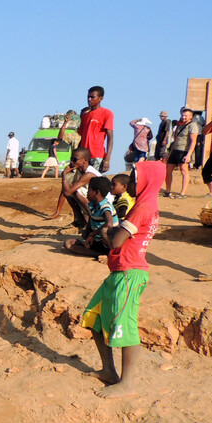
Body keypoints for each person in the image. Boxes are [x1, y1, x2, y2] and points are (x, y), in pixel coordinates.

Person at [82, 160, 165, 399]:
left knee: (126, 328)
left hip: (129, 274)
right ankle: (109, 370)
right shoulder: (144, 204)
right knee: (94, 317)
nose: (131, 183)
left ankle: (127, 384)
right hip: (120, 271)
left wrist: (106, 234)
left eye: (135, 178)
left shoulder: (142, 207)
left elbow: (117, 240)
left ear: (146, 181)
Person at [64, 176, 116, 257]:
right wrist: (88, 235)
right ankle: (100, 254)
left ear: (97, 192)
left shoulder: (106, 207)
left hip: (109, 241)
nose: (87, 193)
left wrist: (92, 234)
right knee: (68, 244)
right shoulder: (92, 205)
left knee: (103, 231)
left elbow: (109, 224)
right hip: (98, 241)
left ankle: (113, 253)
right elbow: (90, 222)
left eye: (89, 190)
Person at [57, 147, 104, 229]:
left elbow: (68, 192)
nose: (71, 162)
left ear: (84, 160)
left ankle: (93, 219)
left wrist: (64, 174)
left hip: (104, 205)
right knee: (71, 191)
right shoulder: (79, 171)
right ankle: (80, 219)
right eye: (71, 159)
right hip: (95, 201)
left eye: (75, 159)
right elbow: (66, 192)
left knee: (76, 191)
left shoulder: (89, 173)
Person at [78, 86, 114, 172]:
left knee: (94, 182)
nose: (89, 99)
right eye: (88, 97)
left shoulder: (107, 113)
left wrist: (107, 158)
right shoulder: (85, 116)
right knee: (82, 183)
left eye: (92, 97)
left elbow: (110, 138)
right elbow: (82, 137)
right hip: (84, 156)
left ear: (100, 98)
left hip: (97, 155)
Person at [164, 107, 198, 198]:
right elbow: (175, 140)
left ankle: (183, 193)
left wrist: (189, 155)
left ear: (191, 116)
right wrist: (170, 153)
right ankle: (167, 191)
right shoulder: (180, 125)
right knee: (168, 170)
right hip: (175, 150)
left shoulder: (193, 126)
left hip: (184, 151)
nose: (183, 117)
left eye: (186, 115)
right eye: (183, 115)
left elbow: (193, 141)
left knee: (184, 171)